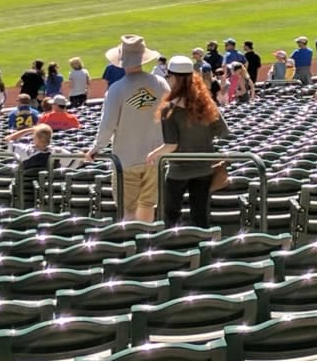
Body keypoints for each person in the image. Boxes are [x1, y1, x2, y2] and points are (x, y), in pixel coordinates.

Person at [93, 35, 168, 223]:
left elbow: (108, 124)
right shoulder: (160, 83)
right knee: (148, 206)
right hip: (155, 157)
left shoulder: (117, 89)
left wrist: (96, 148)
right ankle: (146, 243)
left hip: (126, 160)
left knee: (128, 210)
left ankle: (131, 246)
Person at [149, 55, 231, 227]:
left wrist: (153, 154)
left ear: (173, 77)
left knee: (171, 215)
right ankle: (203, 249)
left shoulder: (169, 109)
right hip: (204, 167)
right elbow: (222, 131)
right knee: (200, 214)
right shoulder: (206, 103)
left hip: (179, 170)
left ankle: (174, 249)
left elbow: (172, 145)